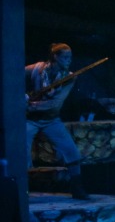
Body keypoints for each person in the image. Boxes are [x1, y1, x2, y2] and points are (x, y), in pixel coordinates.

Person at [25, 43, 89, 199]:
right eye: (65, 57)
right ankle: (22, 189)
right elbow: (11, 77)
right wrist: (22, 96)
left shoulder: (70, 77)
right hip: (29, 120)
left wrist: (29, 105)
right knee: (21, 151)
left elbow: (55, 103)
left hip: (51, 119)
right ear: (55, 56)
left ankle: (77, 187)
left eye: (70, 57)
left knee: (71, 150)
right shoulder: (35, 69)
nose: (69, 60)